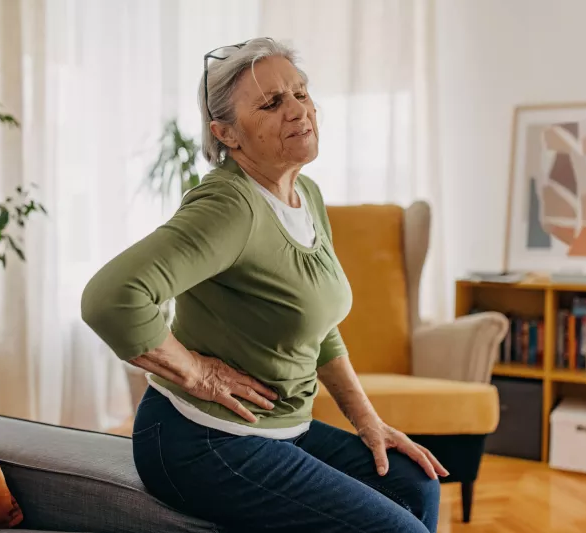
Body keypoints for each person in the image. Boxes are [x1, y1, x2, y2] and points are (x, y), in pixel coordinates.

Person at [81, 37, 446, 533]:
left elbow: (318, 327)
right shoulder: (229, 207)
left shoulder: (304, 194)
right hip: (203, 440)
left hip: (278, 430)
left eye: (300, 93)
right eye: (272, 103)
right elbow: (111, 299)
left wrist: (369, 423)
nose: (298, 110)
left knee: (414, 482)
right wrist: (197, 374)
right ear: (226, 133)